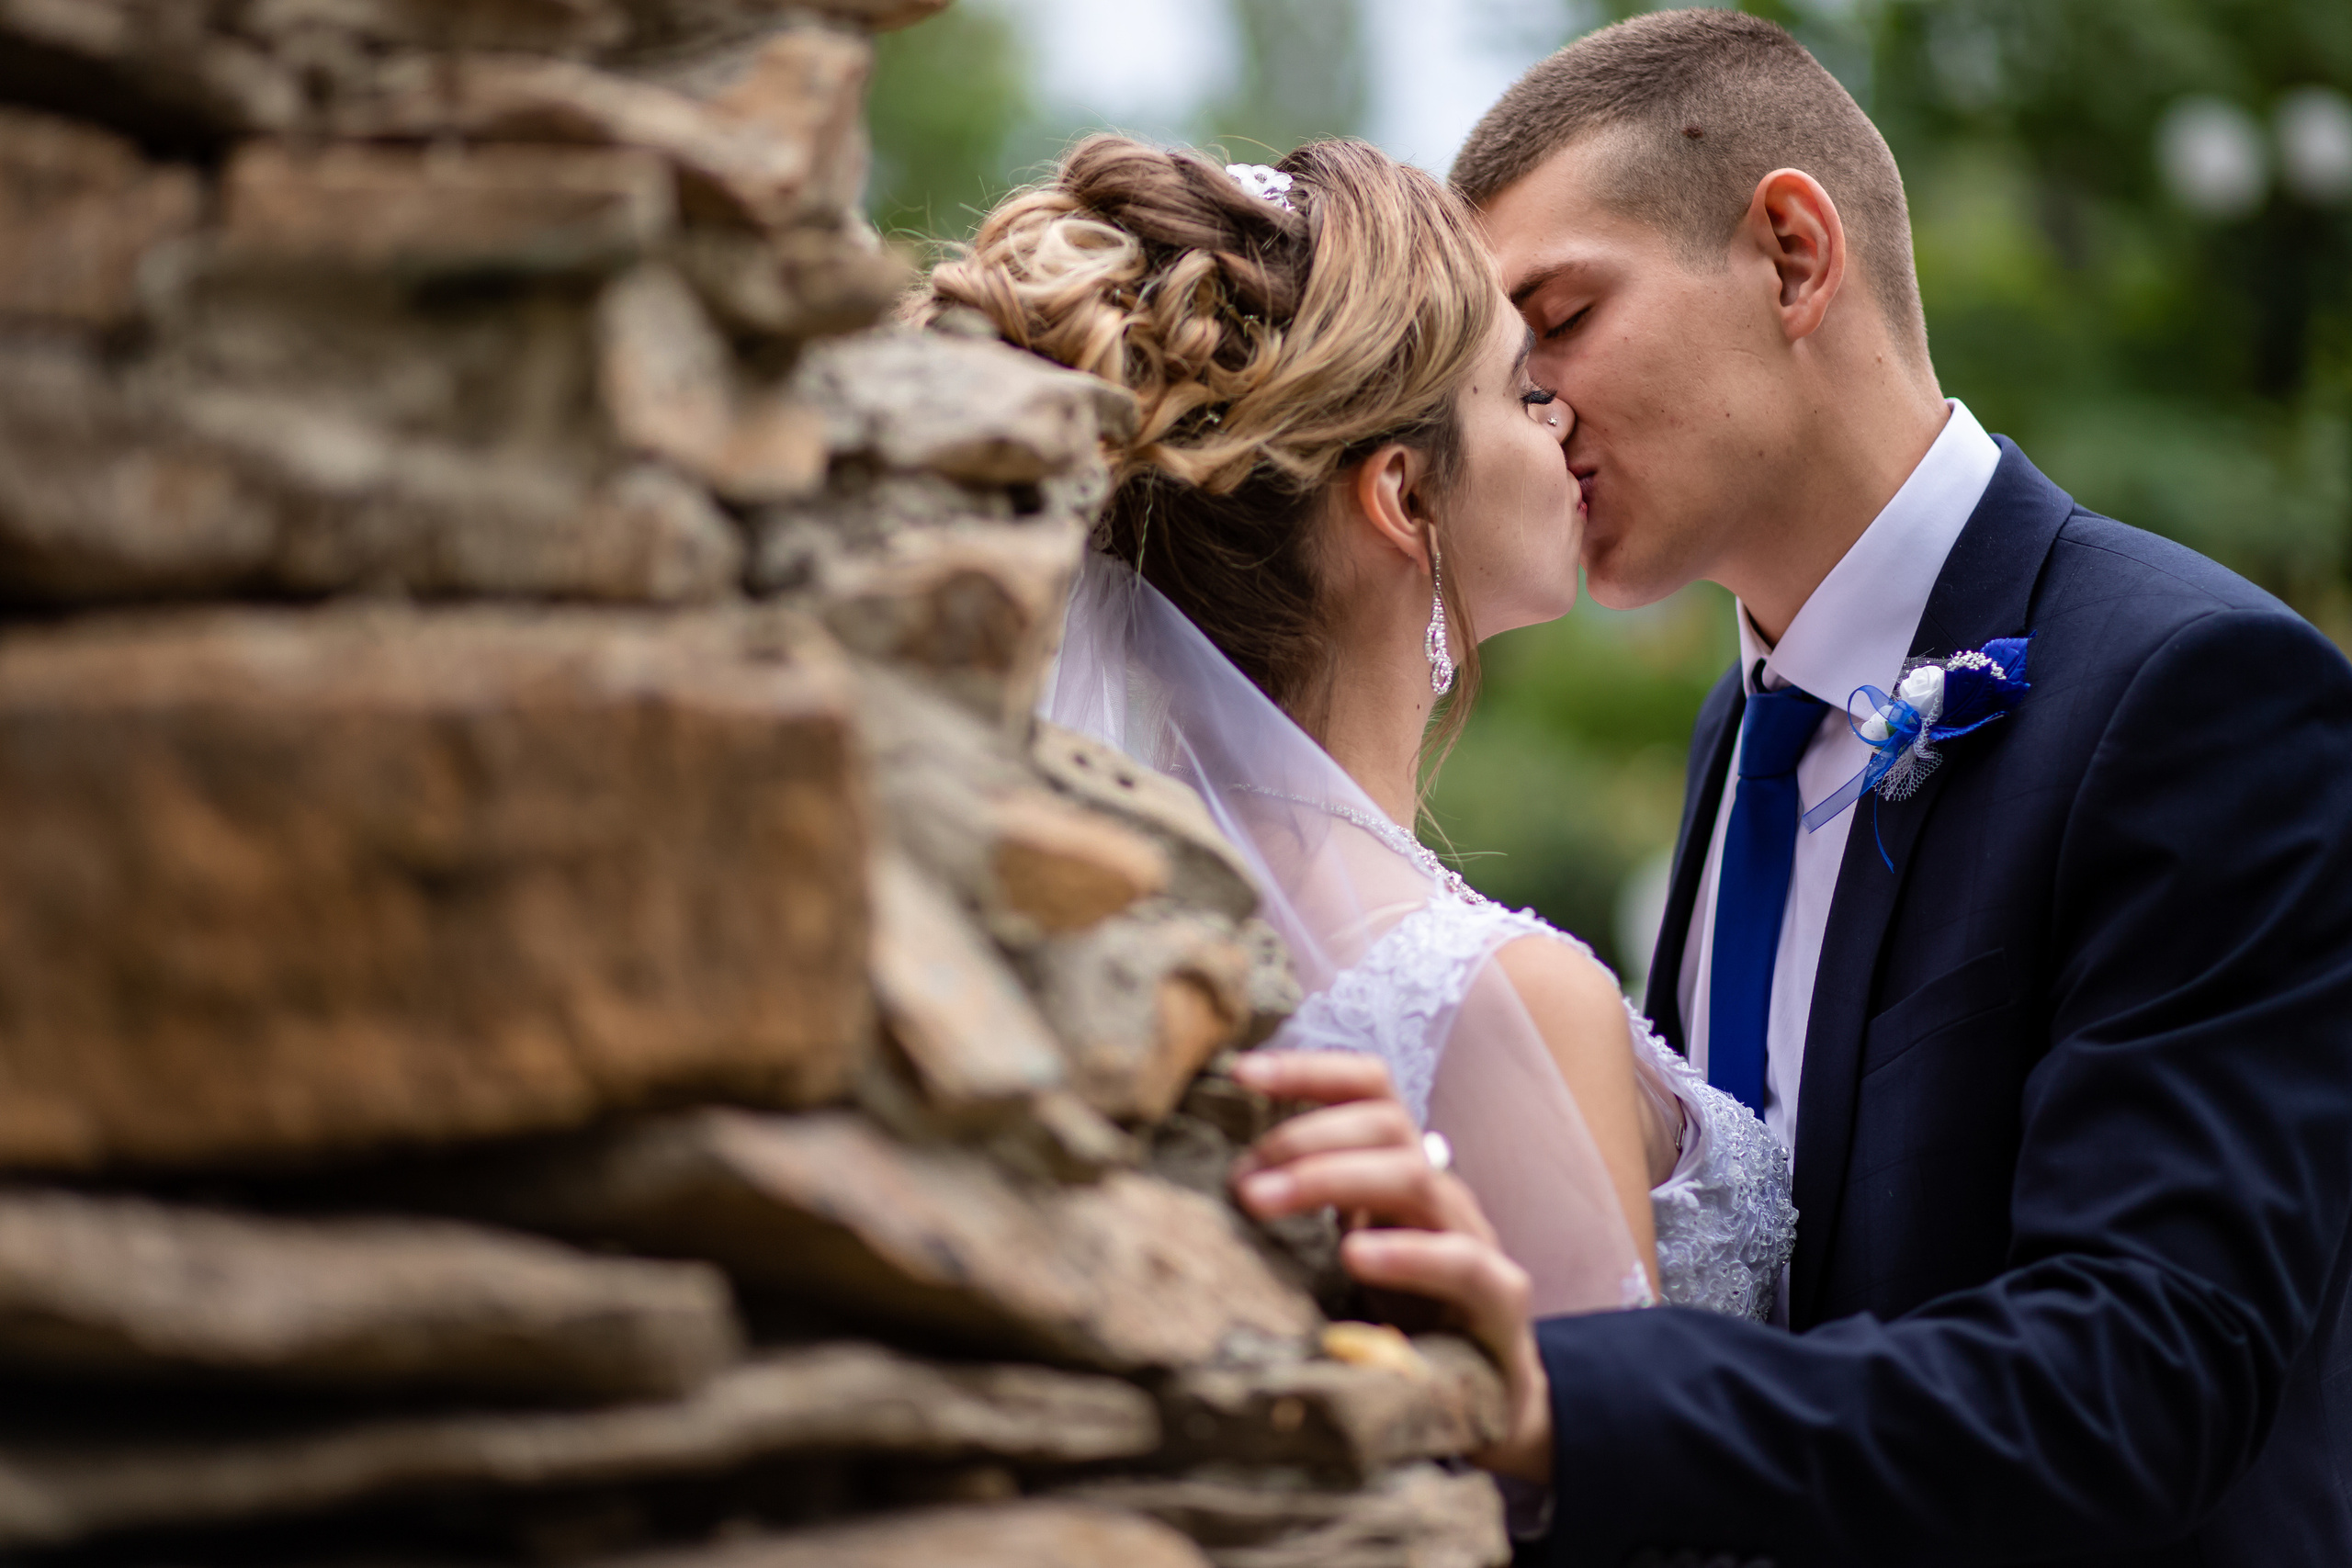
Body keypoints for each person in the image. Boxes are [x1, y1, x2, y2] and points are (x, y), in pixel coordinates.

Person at [1233, 10, 2352, 1566]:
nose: (1531, 406)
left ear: (1790, 254)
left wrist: (1560, 1395)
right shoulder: (1738, 738)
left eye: (1557, 316)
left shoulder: (2197, 691)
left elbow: (2147, 1370)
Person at [914, 134, 1795, 1323]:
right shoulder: (1495, 1003)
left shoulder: (1098, 916)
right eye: (1519, 391)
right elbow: (1619, 1486)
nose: (1560, 422)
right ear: (1405, 497)